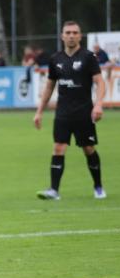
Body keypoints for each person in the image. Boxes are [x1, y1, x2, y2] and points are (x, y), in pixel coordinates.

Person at [34, 21, 106, 200]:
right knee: (58, 148)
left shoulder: (89, 57)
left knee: (88, 148)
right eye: (68, 32)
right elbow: (50, 86)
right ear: (62, 36)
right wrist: (39, 111)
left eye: (75, 32)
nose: (71, 35)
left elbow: (100, 82)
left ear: (80, 36)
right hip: (63, 113)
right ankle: (54, 190)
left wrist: (98, 105)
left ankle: (98, 186)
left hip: (84, 112)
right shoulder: (55, 59)